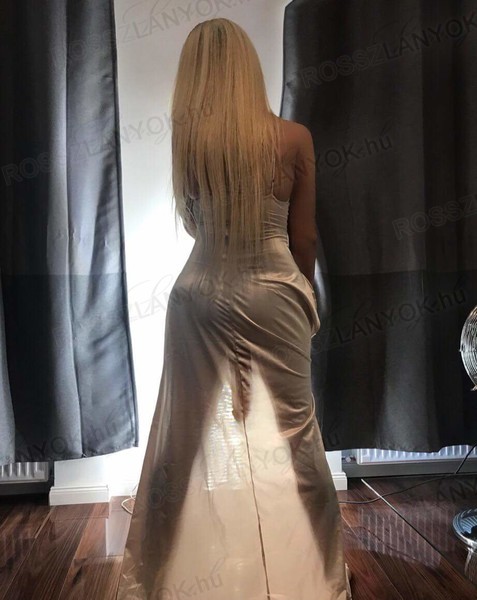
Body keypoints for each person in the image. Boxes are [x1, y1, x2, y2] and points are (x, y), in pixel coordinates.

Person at [116, 17, 352, 600]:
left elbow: (195, 224)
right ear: (249, 69)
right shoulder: (294, 139)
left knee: (180, 443)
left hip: (199, 295)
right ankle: (326, 578)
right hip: (273, 292)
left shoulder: (192, 142)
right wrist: (303, 298)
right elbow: (304, 239)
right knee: (298, 440)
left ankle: (150, 579)